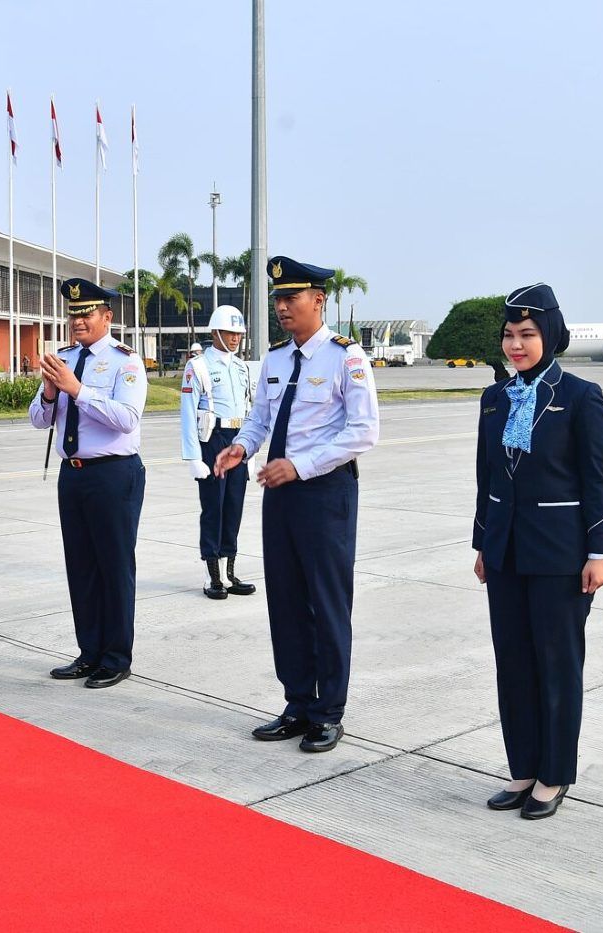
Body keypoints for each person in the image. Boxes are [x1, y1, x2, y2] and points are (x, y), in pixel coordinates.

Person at [215, 257, 379, 752]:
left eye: (292, 298)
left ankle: (329, 711)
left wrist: (301, 465)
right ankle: (297, 704)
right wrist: (242, 446)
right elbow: (261, 419)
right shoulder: (276, 360)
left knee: (326, 603)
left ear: (319, 301)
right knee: (285, 601)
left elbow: (363, 431)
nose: (282, 307)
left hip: (325, 494)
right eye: (278, 300)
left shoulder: (347, 359)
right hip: (280, 491)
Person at [474, 283, 603, 820]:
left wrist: (598, 552)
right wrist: (483, 543)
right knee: (512, 663)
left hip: (560, 556)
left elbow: (599, 481)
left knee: (557, 666)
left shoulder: (581, 396)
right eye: (509, 335)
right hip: (506, 552)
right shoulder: (495, 397)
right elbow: (486, 477)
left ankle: (554, 775)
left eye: (527, 334)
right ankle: (523, 769)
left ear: (550, 336)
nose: (516, 344)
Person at [29, 278, 148, 689]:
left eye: (86, 313)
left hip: (113, 474)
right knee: (81, 567)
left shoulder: (125, 362)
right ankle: (89, 652)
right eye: (73, 313)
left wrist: (77, 390)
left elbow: (127, 418)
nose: (77, 321)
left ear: (107, 317)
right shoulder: (63, 359)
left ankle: (115, 657)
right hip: (73, 475)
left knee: (113, 567)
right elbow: (39, 419)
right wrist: (48, 393)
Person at [180, 306, 258, 599]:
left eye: (238, 333)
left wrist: (250, 453)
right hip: (212, 438)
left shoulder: (241, 367)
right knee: (214, 507)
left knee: (234, 507)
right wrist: (193, 458)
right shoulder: (198, 366)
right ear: (215, 333)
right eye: (229, 333)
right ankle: (212, 575)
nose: (236, 338)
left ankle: (229, 571)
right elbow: (188, 413)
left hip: (239, 439)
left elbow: (250, 410)